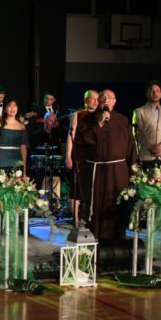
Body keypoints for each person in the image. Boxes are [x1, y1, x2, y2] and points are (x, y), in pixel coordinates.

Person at [76, 89, 137, 241]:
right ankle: (93, 242)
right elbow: (83, 140)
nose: (106, 100)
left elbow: (131, 146)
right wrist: (99, 123)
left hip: (118, 172)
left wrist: (134, 170)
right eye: (102, 97)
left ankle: (118, 245)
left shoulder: (123, 120)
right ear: (98, 101)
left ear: (114, 102)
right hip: (96, 172)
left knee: (117, 207)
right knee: (96, 208)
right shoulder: (88, 120)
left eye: (110, 98)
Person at [65, 89, 99, 227]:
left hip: (95, 156)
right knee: (76, 189)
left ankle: (91, 218)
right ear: (86, 100)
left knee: (92, 188)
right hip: (79, 156)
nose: (96, 102)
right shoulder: (78, 115)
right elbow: (70, 136)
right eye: (93, 99)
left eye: (98, 99)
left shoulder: (100, 115)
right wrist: (68, 156)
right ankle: (76, 221)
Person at [132, 80, 161, 170]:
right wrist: (152, 148)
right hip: (146, 155)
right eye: (152, 91)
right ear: (147, 94)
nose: (155, 93)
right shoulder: (139, 111)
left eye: (157, 91)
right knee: (145, 183)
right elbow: (138, 132)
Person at [0, 99, 28, 170]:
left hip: (17, 160)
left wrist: (24, 169)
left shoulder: (22, 127)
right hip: (2, 159)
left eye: (15, 106)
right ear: (5, 109)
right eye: (10, 106)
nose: (13, 108)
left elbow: (23, 149)